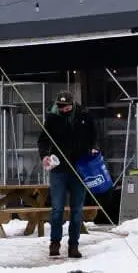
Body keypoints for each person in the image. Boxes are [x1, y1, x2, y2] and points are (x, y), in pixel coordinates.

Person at [37, 92, 100, 259]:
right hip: (59, 170)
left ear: (73, 104)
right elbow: (43, 140)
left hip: (80, 169)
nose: (63, 109)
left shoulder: (84, 116)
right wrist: (44, 155)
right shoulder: (52, 118)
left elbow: (94, 137)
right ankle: (55, 242)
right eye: (60, 106)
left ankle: (74, 245)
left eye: (66, 107)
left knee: (77, 210)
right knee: (57, 209)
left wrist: (93, 147)